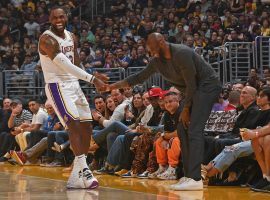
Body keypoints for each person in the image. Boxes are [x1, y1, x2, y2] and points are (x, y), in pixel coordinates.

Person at [106, 32, 221, 190]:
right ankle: (188, 176)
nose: (150, 51)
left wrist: (186, 109)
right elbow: (139, 77)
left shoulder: (182, 53)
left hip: (207, 87)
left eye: (152, 47)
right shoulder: (157, 62)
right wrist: (111, 86)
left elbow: (192, 84)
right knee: (182, 130)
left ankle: (195, 179)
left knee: (194, 130)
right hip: (192, 91)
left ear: (161, 42)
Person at [38, 6, 108, 190]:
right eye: (55, 18)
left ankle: (77, 176)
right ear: (50, 20)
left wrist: (92, 73)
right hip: (57, 85)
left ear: (66, 17)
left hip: (74, 84)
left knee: (86, 126)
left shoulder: (71, 36)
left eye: (61, 17)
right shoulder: (47, 39)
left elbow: (76, 62)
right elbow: (66, 65)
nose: (58, 20)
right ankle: (84, 169)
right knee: (74, 125)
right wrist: (93, 79)